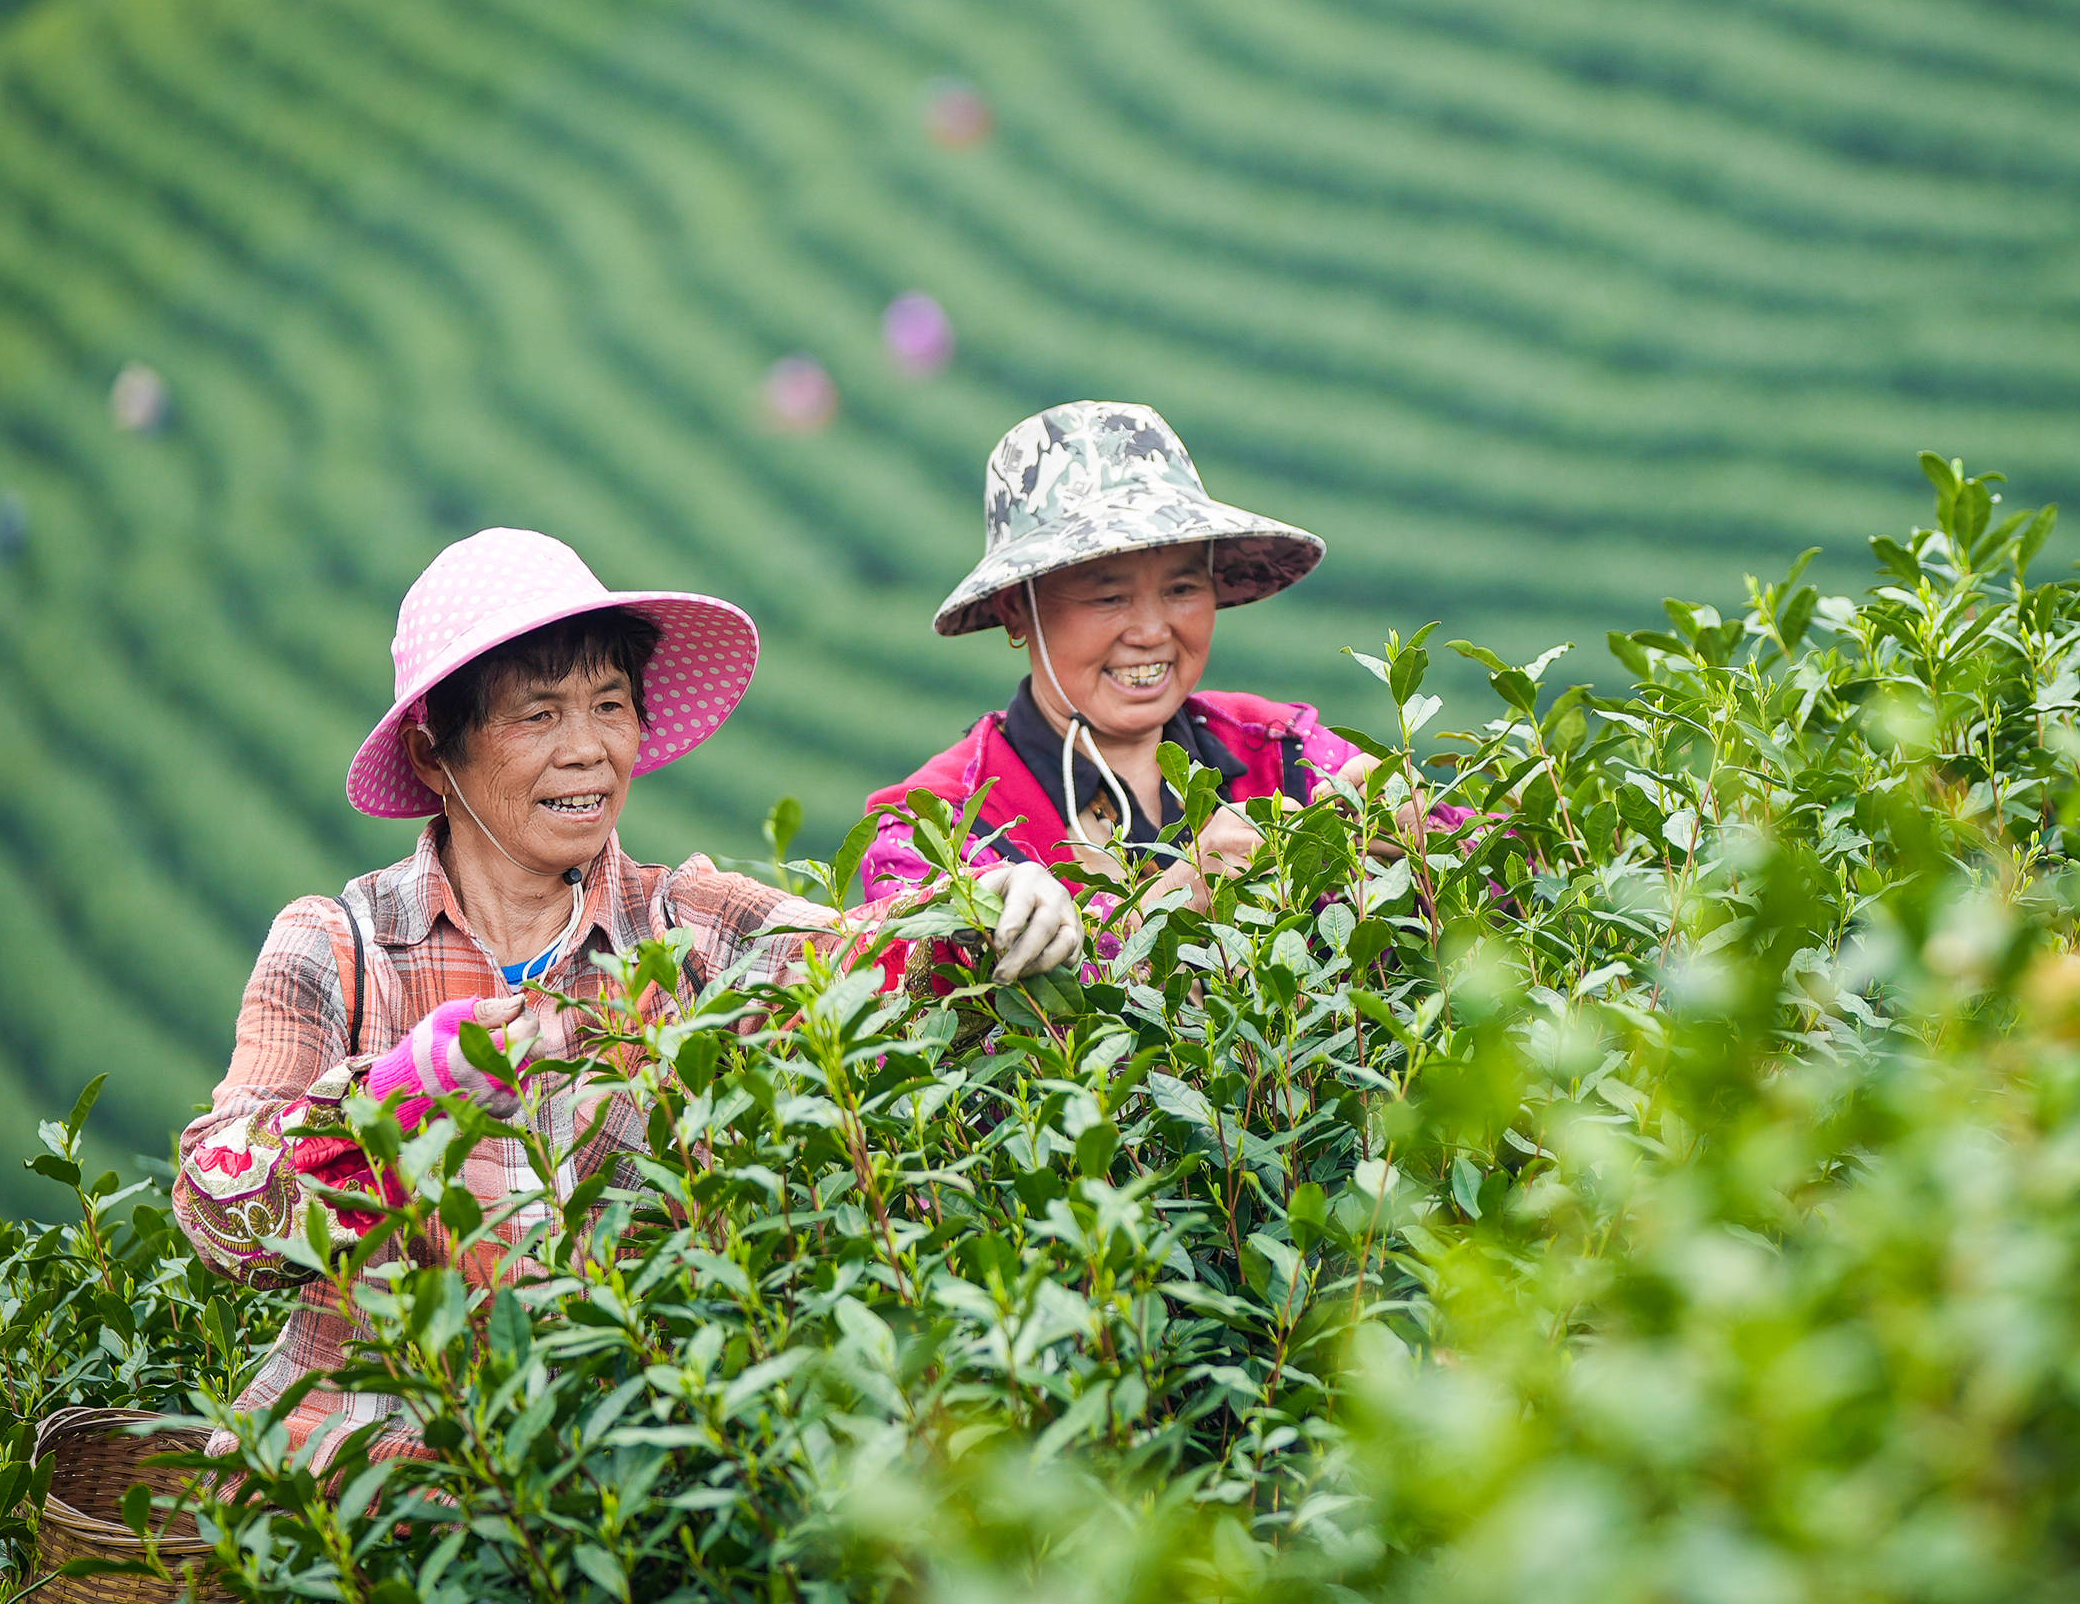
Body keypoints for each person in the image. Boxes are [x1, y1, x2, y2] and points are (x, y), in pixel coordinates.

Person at [174, 528, 1079, 1466]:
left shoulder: (684, 927)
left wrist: (991, 901)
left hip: (616, 1500)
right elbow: (216, 1205)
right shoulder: (340, 946)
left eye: (609, 705)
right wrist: (410, 1089)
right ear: (433, 749)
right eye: (537, 715)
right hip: (352, 1515)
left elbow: (866, 962)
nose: (588, 750)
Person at [856, 401, 1454, 912]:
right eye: (1109, 596)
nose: (1151, 630)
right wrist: (1169, 911)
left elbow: (1509, 896)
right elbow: (929, 1017)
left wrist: (1425, 845)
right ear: (1018, 608)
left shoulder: (1278, 749)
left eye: (1183, 589)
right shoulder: (933, 831)